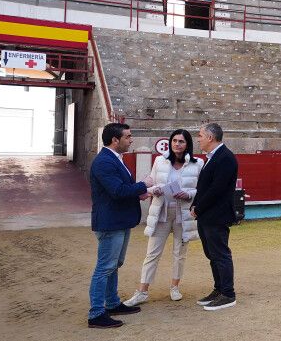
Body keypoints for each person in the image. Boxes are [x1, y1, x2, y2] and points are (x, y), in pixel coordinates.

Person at [124, 129, 204, 307]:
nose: (177, 144)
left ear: (187, 144)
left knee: (179, 253)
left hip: (183, 214)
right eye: (174, 141)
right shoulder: (160, 160)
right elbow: (151, 181)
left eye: (181, 141)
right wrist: (154, 190)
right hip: (161, 212)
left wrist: (189, 194)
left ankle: (175, 287)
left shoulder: (198, 163)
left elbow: (202, 189)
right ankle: (142, 291)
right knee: (152, 253)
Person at [87, 123, 150, 329]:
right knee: (105, 267)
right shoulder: (105, 162)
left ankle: (112, 303)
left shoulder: (113, 159)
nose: (131, 140)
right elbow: (118, 191)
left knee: (114, 264)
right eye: (128, 136)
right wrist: (144, 185)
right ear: (115, 140)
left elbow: (120, 190)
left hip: (119, 220)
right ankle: (96, 313)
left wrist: (138, 192)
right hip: (110, 222)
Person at [191, 123, 239, 310]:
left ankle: (228, 293)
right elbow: (204, 187)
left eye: (200, 135)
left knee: (220, 254)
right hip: (207, 215)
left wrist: (198, 207)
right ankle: (219, 289)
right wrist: (196, 206)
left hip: (216, 215)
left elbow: (216, 189)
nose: (198, 139)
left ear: (210, 138)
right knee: (212, 254)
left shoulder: (225, 158)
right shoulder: (214, 158)